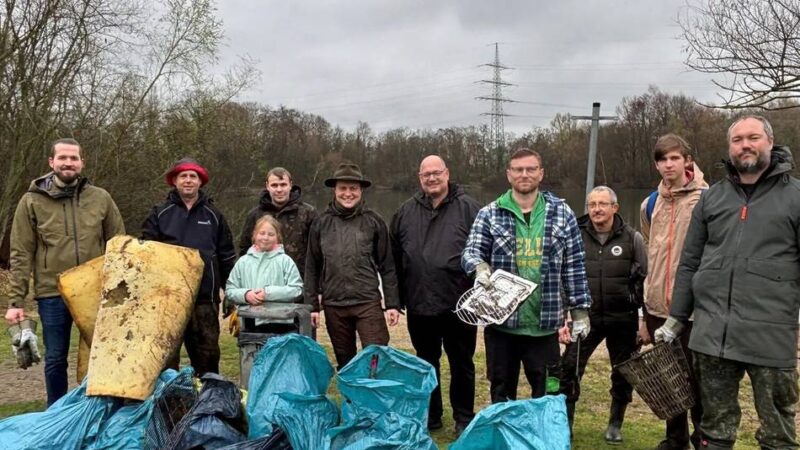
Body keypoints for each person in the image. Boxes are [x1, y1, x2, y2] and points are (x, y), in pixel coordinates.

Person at [656, 115, 800, 450]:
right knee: (713, 431)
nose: (745, 145)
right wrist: (677, 318)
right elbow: (690, 262)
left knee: (778, 433)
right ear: (729, 147)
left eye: (753, 137)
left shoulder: (795, 197)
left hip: (771, 335)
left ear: (770, 141)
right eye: (737, 140)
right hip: (712, 334)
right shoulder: (712, 198)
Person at [462, 147, 591, 403]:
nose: (525, 174)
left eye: (531, 169)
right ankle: (504, 439)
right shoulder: (489, 213)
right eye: (518, 169)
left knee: (548, 395)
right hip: (502, 326)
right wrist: (479, 268)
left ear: (541, 174)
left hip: (545, 327)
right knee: (501, 393)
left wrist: (580, 312)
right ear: (509, 175)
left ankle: (544, 440)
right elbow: (471, 251)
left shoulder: (562, 213)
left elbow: (575, 266)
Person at [4, 138, 125, 406]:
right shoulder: (31, 201)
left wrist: (118, 288)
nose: (68, 163)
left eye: (73, 158)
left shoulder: (101, 198)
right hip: (52, 292)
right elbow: (20, 253)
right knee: (56, 357)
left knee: (101, 353)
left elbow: (119, 244)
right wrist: (15, 302)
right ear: (51, 162)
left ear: (82, 163)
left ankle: (97, 408)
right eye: (62, 158)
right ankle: (56, 411)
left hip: (94, 293)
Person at [390, 155, 481, 435]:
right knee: (425, 362)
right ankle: (431, 415)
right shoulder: (405, 211)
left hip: (460, 304)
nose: (431, 178)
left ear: (447, 174)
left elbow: (484, 253)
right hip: (420, 302)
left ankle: (463, 416)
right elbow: (393, 259)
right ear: (420, 178)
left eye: (436, 173)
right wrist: (395, 299)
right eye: (426, 174)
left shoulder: (470, 208)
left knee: (461, 362)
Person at [558, 186, 647, 443]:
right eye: (592, 204)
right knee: (570, 369)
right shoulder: (574, 236)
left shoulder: (633, 238)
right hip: (585, 317)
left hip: (623, 318)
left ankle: (615, 425)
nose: (597, 209)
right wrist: (565, 317)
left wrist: (643, 320)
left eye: (602, 204)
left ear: (614, 208)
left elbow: (644, 280)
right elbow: (563, 277)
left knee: (623, 372)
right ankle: (566, 424)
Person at [639, 133, 707, 450]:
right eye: (663, 159)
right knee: (669, 379)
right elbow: (651, 253)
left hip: (693, 310)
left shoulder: (707, 198)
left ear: (687, 160)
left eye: (675, 158)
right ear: (656, 164)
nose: (669, 164)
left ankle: (703, 438)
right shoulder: (650, 203)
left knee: (697, 379)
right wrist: (644, 309)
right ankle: (675, 439)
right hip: (656, 307)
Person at [141, 157, 236, 376]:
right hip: (167, 300)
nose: (188, 180)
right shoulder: (159, 213)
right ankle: (169, 404)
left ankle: (207, 402)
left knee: (207, 356)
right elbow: (145, 255)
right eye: (183, 176)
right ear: (174, 181)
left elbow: (226, 256)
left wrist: (230, 293)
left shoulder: (214, 216)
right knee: (165, 358)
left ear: (200, 182)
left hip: (204, 300)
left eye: (193, 176)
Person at [304, 162, 400, 369]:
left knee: (376, 357)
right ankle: (351, 399)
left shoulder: (374, 221)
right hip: (334, 304)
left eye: (353, 188)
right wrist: (312, 305)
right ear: (335, 190)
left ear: (361, 190)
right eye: (343, 188)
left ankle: (374, 399)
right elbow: (312, 267)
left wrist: (392, 303)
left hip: (367, 302)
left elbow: (388, 265)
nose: (348, 193)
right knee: (345, 361)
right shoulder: (321, 223)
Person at [225, 215, 303, 332]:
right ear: (255, 235)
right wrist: (246, 295)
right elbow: (230, 290)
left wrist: (268, 293)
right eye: (262, 233)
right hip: (249, 322)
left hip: (281, 323)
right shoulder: (243, 262)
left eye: (271, 234)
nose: (265, 238)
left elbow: (297, 290)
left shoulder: (285, 261)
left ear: (278, 237)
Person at [237, 167, 317, 280]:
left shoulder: (309, 213)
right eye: (274, 185)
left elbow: (317, 251)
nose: (279, 189)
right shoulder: (255, 215)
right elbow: (245, 249)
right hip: (263, 281)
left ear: (290, 185)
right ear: (267, 186)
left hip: (299, 281)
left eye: (283, 184)